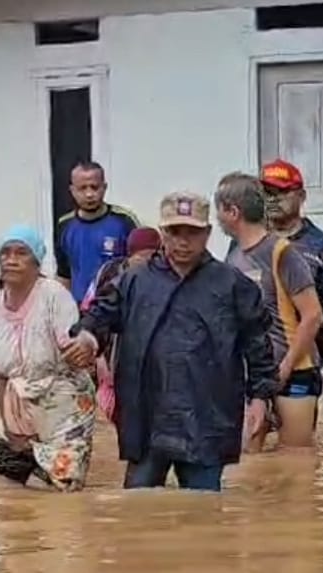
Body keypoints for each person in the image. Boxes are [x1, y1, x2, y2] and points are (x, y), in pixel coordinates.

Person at [62, 192, 277, 492]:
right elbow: (100, 315)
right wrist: (86, 338)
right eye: (175, 232)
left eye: (192, 232)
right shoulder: (133, 281)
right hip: (146, 414)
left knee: (204, 511)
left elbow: (258, 345)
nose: (183, 241)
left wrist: (260, 398)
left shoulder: (232, 285)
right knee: (139, 513)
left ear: (208, 233)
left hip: (206, 416)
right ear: (163, 233)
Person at [0, 224, 96, 492]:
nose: (11, 259)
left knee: (61, 483)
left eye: (21, 253)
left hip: (63, 401)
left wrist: (85, 346)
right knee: (9, 480)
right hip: (12, 399)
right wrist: (10, 426)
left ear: (36, 261)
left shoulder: (54, 296)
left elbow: (74, 349)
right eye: (5, 253)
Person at [216, 173, 323, 448]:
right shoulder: (233, 255)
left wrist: (285, 367)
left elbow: (313, 315)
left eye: (218, 209)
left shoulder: (281, 252)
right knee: (247, 459)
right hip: (253, 375)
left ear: (232, 211)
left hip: (295, 372)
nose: (216, 218)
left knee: (296, 460)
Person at [259, 159, 323, 394]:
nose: (272, 199)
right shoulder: (247, 242)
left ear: (301, 196)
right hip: (256, 360)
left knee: (297, 431)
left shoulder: (320, 246)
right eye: (266, 193)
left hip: (303, 362)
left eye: (281, 192)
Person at [80, 226, 162, 424]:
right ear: (130, 255)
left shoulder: (164, 278)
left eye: (153, 256)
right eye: (141, 256)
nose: (147, 262)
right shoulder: (109, 272)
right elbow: (91, 309)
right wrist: (96, 352)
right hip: (112, 359)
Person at [55, 161, 140, 304]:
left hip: (118, 309)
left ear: (104, 187)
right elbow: (64, 275)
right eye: (82, 188)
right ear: (72, 190)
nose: (89, 194)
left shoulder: (125, 221)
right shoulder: (64, 225)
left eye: (95, 187)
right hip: (80, 310)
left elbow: (142, 268)